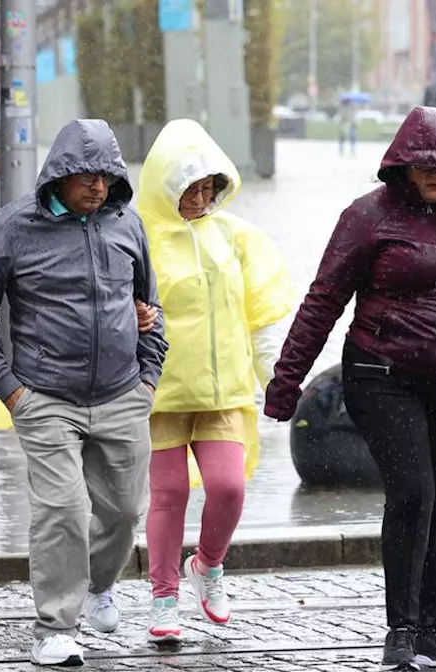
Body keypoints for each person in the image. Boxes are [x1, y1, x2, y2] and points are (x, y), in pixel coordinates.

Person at [264, 106, 436, 671]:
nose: (434, 176)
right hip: (382, 375)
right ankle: (401, 631)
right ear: (402, 165)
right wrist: (286, 381)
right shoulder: (368, 216)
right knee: (413, 492)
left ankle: (432, 630)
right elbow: (323, 301)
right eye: (423, 166)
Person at [0, 119, 167, 668]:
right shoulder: (14, 227)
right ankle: (55, 627)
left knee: (124, 511)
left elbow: (151, 303)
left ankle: (99, 584)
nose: (97, 186)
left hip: (123, 394)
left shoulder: (127, 224)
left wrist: (149, 376)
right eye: (85, 176)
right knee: (63, 510)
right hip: (45, 397)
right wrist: (8, 387)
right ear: (59, 175)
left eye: (106, 176)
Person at [134, 119, 296, 644]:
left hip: (225, 389)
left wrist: (275, 378)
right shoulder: (139, 239)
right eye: (190, 189)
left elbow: (261, 313)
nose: (201, 199)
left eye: (209, 189)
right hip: (162, 393)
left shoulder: (235, 236)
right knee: (170, 493)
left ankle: (207, 565)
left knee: (228, 487)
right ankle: (163, 595)